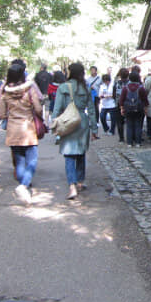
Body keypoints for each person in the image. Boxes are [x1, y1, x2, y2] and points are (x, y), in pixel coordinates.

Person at [51, 62, 98, 200]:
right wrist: (94, 129)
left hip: (68, 122)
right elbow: (91, 110)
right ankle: (80, 182)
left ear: (70, 72)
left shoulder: (63, 87)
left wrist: (55, 126)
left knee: (69, 155)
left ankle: (71, 186)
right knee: (80, 153)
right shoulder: (86, 87)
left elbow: (57, 108)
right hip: (82, 122)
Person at [0, 63, 43, 205]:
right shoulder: (29, 90)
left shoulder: (5, 93)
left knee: (19, 161)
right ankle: (23, 185)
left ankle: (24, 184)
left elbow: (1, 114)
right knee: (32, 160)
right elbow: (38, 109)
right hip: (28, 129)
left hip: (13, 130)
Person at [119, 71, 149, 147]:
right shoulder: (141, 88)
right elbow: (145, 99)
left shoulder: (125, 88)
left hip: (128, 109)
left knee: (129, 125)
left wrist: (122, 108)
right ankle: (138, 142)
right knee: (138, 125)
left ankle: (129, 142)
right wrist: (145, 109)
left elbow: (121, 100)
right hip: (139, 109)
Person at [113, 68, 129, 144]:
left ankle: (121, 138)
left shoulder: (116, 83)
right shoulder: (130, 83)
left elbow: (114, 94)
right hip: (129, 104)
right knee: (129, 121)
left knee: (119, 122)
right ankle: (130, 138)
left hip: (118, 104)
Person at [86, 66, 102, 131]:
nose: (92, 71)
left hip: (97, 95)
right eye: (91, 70)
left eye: (93, 70)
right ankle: (90, 121)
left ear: (96, 71)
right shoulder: (88, 79)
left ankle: (97, 121)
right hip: (90, 95)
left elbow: (102, 86)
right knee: (90, 108)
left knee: (96, 108)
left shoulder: (99, 78)